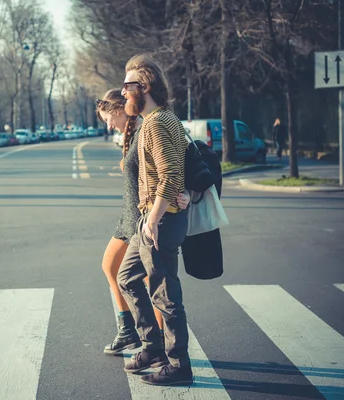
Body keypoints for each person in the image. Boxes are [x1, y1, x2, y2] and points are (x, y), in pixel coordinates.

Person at [117, 54, 193, 386]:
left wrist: (153, 220)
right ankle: (153, 347)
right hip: (153, 219)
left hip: (159, 221)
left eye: (127, 86)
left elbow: (172, 173)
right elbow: (184, 164)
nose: (122, 94)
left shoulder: (158, 122)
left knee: (165, 294)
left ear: (144, 87)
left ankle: (179, 364)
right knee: (127, 278)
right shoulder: (161, 120)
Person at [96, 89, 190, 356]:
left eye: (108, 118)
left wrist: (186, 192)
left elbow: (176, 164)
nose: (108, 124)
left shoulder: (150, 127)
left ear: (117, 110)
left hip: (146, 218)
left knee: (154, 284)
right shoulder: (132, 134)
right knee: (113, 269)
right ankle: (132, 332)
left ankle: (156, 340)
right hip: (130, 217)